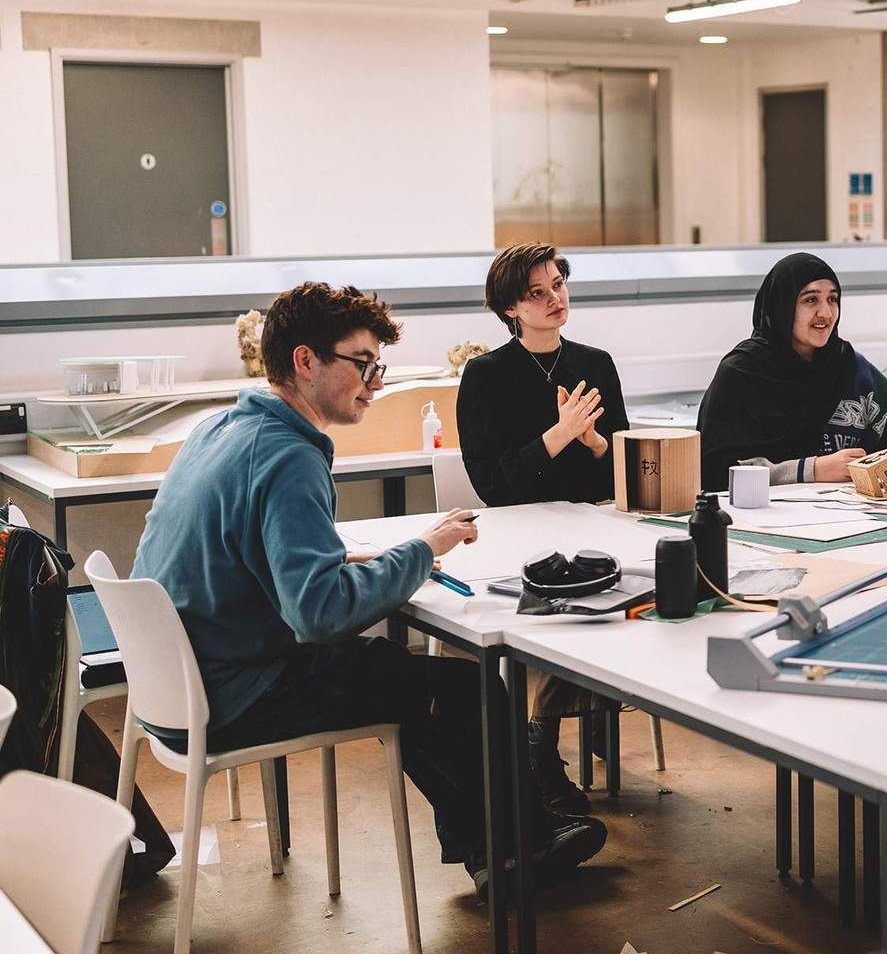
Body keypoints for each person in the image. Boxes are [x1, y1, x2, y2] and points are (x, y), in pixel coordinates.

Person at [133, 281, 605, 897]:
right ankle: (521, 847)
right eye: (362, 364)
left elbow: (249, 554)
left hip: (175, 691)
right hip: (233, 695)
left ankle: (502, 844)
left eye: (377, 365)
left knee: (411, 683)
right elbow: (320, 615)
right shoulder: (289, 456)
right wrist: (421, 550)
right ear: (305, 361)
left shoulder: (221, 430)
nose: (375, 382)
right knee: (460, 685)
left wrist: (360, 557)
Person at [459, 243, 630, 815]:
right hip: (518, 536)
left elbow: (623, 470)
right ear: (511, 308)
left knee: (629, 585)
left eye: (559, 284)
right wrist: (556, 438)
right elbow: (491, 485)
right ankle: (540, 749)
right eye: (538, 292)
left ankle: (549, 736)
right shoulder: (485, 376)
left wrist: (594, 440)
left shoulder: (596, 363)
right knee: (561, 602)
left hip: (593, 528)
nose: (555, 298)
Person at [698, 251, 887, 490]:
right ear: (782, 306)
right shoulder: (741, 373)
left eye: (832, 299)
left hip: (853, 515)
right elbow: (714, 471)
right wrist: (812, 470)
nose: (826, 313)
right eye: (810, 300)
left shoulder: (856, 372)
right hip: (763, 517)